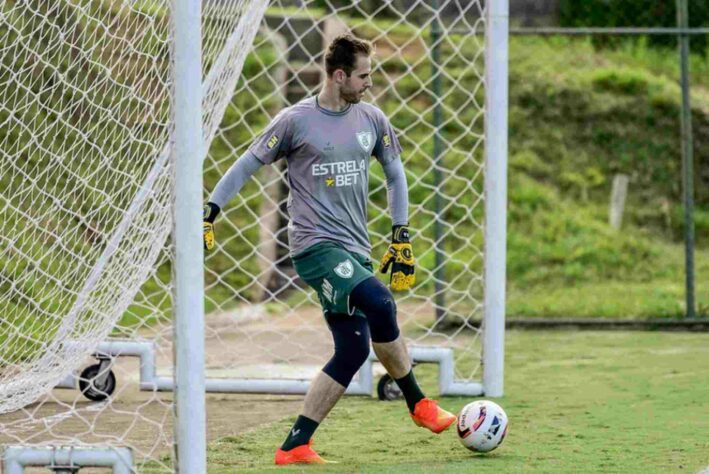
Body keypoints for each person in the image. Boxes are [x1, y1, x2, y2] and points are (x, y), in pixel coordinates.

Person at [203, 34, 456, 465]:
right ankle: (419, 404)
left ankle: (294, 445)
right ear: (339, 76)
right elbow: (247, 163)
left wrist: (401, 233)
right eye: (363, 76)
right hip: (314, 247)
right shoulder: (294, 121)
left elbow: (396, 175)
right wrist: (210, 209)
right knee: (380, 301)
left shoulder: (373, 119)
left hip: (356, 248)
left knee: (354, 350)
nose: (369, 83)